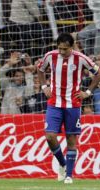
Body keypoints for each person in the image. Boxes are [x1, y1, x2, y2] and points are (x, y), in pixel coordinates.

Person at [37, 32, 100, 184]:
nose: (61, 52)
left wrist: (88, 92)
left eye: (65, 49)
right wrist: (45, 86)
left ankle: (69, 176)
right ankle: (63, 164)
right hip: (54, 104)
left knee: (71, 139)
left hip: (73, 104)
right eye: (59, 48)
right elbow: (40, 69)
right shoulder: (50, 56)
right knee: (50, 136)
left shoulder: (81, 58)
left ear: (72, 47)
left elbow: (97, 73)